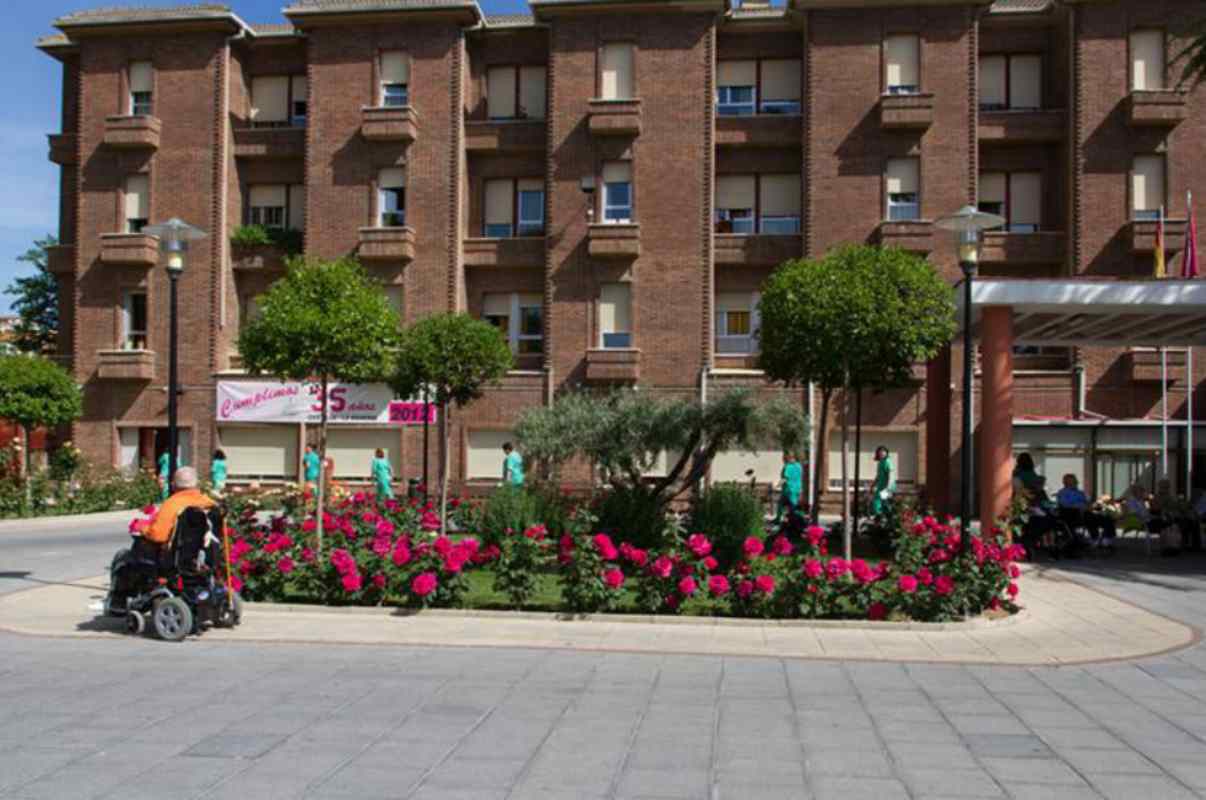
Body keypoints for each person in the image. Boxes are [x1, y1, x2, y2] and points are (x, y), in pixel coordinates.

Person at [143, 467, 216, 549]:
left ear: (173, 485)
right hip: (206, 552)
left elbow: (158, 536)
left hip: (177, 555)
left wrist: (143, 529)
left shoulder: (171, 504)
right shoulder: (210, 503)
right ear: (197, 484)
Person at [1055, 473, 1115, 552]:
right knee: (1089, 517)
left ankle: (1106, 540)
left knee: (1107, 517)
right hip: (1073, 514)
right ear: (1066, 483)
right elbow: (1064, 505)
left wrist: (1092, 505)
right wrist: (1080, 507)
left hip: (1086, 511)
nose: (1075, 483)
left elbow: (1087, 502)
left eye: (1075, 481)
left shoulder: (1080, 492)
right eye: (1072, 481)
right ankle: (1095, 538)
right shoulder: (1062, 493)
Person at [775, 452, 803, 525]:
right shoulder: (799, 466)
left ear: (788, 457)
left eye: (784, 458)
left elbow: (785, 478)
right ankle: (795, 519)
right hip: (797, 489)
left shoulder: (788, 466)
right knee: (793, 505)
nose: (783, 460)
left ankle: (779, 519)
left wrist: (777, 486)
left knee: (786, 505)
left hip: (788, 489)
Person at [871, 446, 896, 516]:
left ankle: (883, 517)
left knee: (883, 502)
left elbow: (891, 474)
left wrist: (888, 487)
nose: (882, 453)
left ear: (886, 453)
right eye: (880, 452)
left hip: (888, 486)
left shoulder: (888, 461)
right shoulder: (880, 462)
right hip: (881, 486)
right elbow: (878, 476)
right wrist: (872, 485)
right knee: (879, 501)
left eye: (883, 451)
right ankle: (881, 517)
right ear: (878, 454)